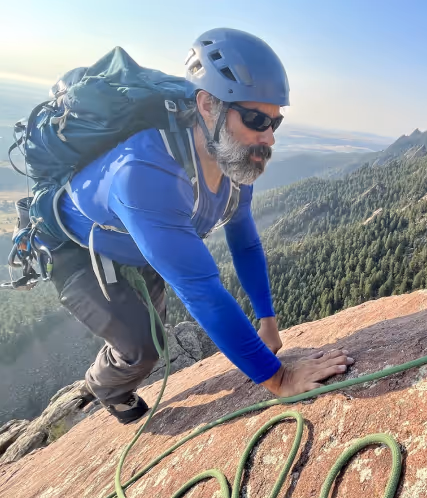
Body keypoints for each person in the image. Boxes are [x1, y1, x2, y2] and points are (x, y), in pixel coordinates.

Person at [49, 28, 354, 424]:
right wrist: (279, 378)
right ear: (207, 105)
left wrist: (269, 322)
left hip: (137, 240)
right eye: (255, 118)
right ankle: (104, 386)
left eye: (275, 124)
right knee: (142, 348)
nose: (268, 138)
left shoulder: (231, 163)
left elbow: (244, 241)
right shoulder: (145, 173)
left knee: (154, 334)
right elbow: (203, 293)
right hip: (78, 248)